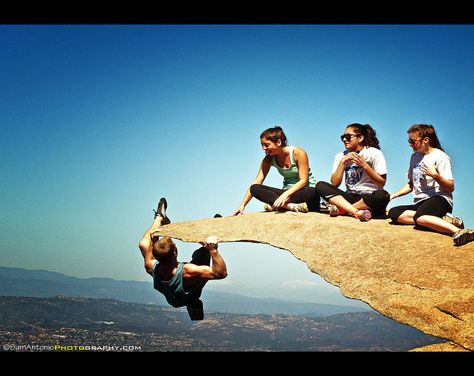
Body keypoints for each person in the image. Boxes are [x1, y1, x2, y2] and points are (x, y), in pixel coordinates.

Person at [138, 197, 228, 320]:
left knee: (143, 244)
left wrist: (156, 234)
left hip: (175, 300)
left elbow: (150, 241)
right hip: (190, 291)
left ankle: (159, 217)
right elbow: (221, 273)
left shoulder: (150, 266)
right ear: (175, 252)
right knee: (203, 254)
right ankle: (210, 236)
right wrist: (213, 250)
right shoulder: (188, 272)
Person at [388, 124, 474, 246]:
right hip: (421, 202)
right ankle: (441, 220)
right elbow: (411, 184)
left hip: (440, 199)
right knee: (394, 213)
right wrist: (394, 195)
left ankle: (459, 231)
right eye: (409, 141)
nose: (410, 144)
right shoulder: (414, 157)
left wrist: (435, 175)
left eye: (413, 141)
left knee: (421, 217)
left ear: (426, 140)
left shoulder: (441, 157)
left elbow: (450, 187)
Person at [232, 126, 320, 215]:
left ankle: (276, 204)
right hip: (287, 193)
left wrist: (285, 195)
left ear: (278, 142)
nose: (263, 148)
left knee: (312, 191)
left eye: (266, 145)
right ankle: (288, 206)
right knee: (254, 188)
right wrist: (242, 205)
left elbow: (303, 181)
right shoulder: (268, 159)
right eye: (262, 145)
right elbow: (257, 181)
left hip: (304, 192)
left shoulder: (298, 153)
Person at [314, 123, 390, 221]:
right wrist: (342, 163)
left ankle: (344, 210)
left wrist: (365, 166)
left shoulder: (374, 153)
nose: (344, 139)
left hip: (369, 198)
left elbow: (381, 182)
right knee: (320, 185)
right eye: (343, 137)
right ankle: (356, 211)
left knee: (383, 195)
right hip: (350, 196)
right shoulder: (340, 156)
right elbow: (335, 183)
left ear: (360, 138)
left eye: (348, 136)